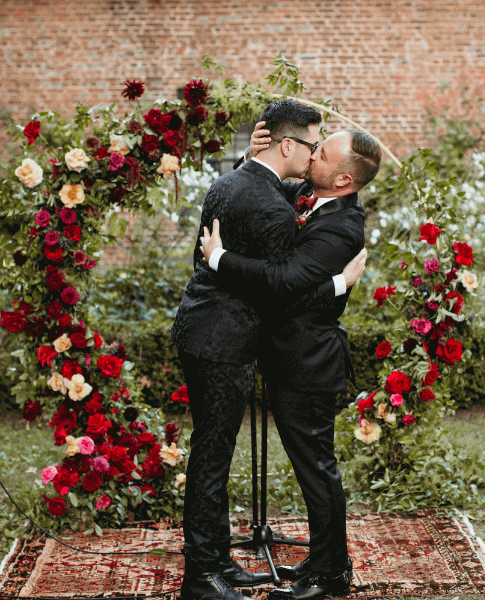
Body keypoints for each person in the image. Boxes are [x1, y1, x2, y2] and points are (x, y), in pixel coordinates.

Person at [171, 99, 361, 600]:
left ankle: (215, 562)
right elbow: (286, 289)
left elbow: (280, 261)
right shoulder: (272, 206)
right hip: (221, 339)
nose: (316, 153)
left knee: (212, 452)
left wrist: (221, 258)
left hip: (208, 331)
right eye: (312, 144)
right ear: (286, 144)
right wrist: (340, 283)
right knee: (212, 455)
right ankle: (202, 577)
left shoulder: (236, 180)